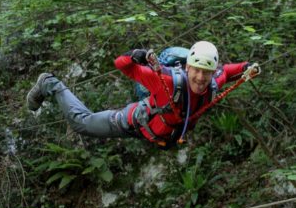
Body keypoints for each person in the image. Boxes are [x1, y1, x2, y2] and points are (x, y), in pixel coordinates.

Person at [26, 41, 260, 149]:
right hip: (131, 123)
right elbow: (122, 65)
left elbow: (228, 71)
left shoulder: (213, 83)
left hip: (157, 136)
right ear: (188, 67)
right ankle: (50, 83)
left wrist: (246, 67)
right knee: (82, 124)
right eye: (196, 70)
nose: (200, 78)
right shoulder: (166, 80)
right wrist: (133, 55)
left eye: (206, 73)